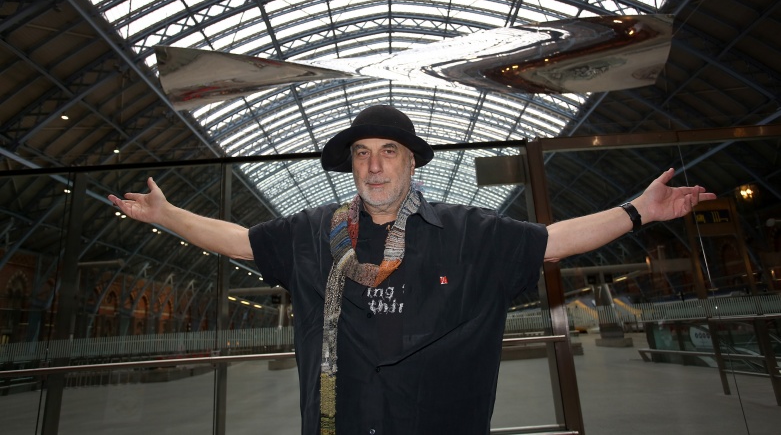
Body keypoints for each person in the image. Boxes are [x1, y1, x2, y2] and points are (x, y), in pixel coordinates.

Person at [108, 105, 716, 435]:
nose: (374, 167)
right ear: (351, 166)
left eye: (388, 152)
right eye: (362, 154)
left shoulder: (467, 232)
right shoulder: (315, 232)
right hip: (341, 422)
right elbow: (240, 241)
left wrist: (638, 212)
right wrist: (167, 215)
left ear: (411, 163)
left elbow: (551, 241)